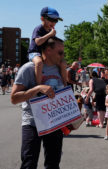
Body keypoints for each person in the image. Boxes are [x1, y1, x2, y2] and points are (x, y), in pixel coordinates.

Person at [11, 37, 65, 169]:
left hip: (55, 123)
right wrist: (38, 88)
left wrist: (70, 118)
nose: (63, 56)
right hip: (32, 123)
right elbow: (14, 98)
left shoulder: (61, 68)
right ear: (48, 50)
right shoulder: (29, 68)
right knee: (29, 163)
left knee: (53, 163)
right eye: (60, 52)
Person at [27, 7, 67, 86]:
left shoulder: (50, 31)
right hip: (34, 52)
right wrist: (50, 35)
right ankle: (38, 86)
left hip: (45, 53)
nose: (54, 23)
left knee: (63, 63)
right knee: (39, 63)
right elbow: (38, 42)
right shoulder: (38, 29)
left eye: (56, 21)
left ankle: (65, 84)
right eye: (51, 20)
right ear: (42, 18)